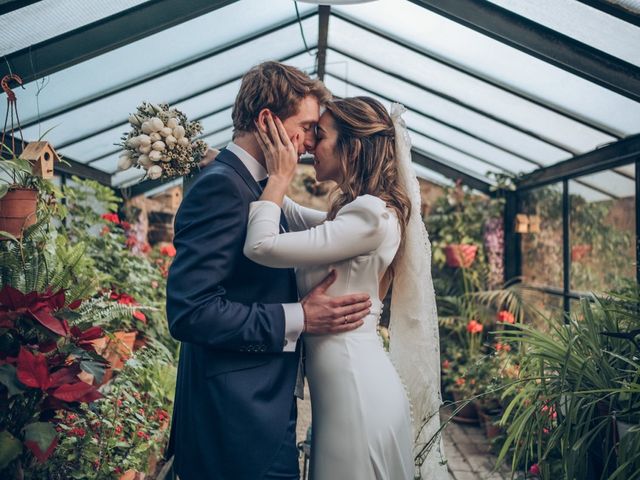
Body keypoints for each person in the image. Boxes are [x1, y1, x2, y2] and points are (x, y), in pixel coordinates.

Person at [165, 62, 372, 480]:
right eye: (309, 127)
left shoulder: (253, 185)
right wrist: (301, 316)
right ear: (267, 121)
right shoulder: (224, 186)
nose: (313, 141)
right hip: (235, 422)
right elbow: (190, 311)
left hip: (257, 410)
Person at [245, 96, 448, 479]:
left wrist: (278, 177)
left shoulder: (369, 216)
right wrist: (253, 164)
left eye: (319, 135)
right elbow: (287, 211)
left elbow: (261, 245)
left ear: (351, 147)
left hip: (356, 392)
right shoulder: (360, 214)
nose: (308, 147)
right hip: (347, 389)